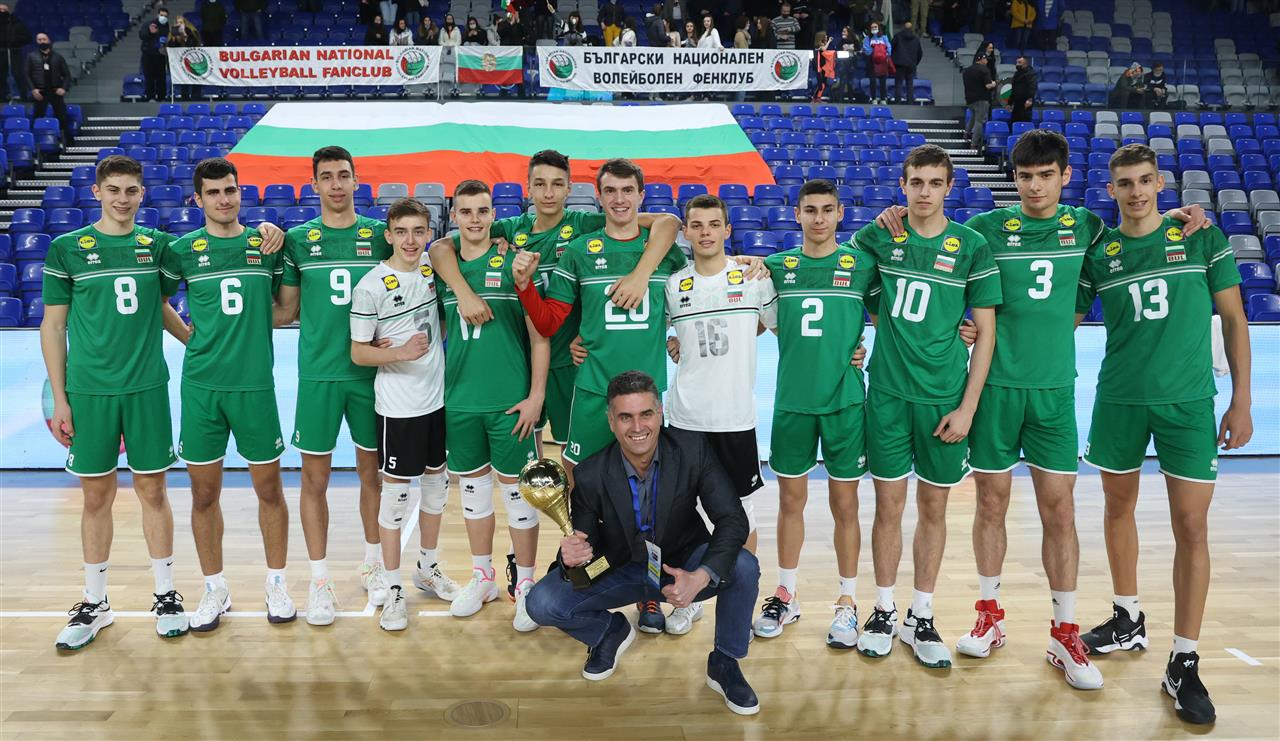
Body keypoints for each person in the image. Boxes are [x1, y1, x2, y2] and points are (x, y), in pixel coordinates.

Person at [872, 129, 1207, 688]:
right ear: (1015, 179)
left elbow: (1138, 228)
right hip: (994, 390)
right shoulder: (984, 230)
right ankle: (989, 616)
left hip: (1054, 392)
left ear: (1065, 176)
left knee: (1060, 509)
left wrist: (1179, 214)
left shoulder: (1087, 227)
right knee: (990, 503)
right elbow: (938, 254)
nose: (1035, 186)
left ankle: (1064, 631)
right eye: (1026, 176)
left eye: (1046, 175)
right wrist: (896, 215)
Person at [427, 150, 679, 599]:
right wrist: (462, 290)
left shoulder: (586, 225)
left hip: (572, 363)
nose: (548, 193)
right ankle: (529, 561)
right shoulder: (509, 228)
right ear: (527, 187)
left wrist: (638, 277)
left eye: (557, 184)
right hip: (517, 363)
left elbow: (667, 223)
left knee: (572, 470)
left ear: (571, 189)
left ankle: (594, 557)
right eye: (539, 184)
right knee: (531, 474)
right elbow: (441, 247)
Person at [1077, 144, 1253, 725]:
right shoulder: (1099, 253)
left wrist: (1241, 400)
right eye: (1125, 183)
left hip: (1188, 404)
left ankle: (1184, 659)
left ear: (1160, 184)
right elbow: (1060, 317)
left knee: (1192, 526)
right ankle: (1126, 618)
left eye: (1145, 180)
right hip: (1119, 400)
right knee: (1116, 508)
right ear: (1111, 190)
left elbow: (1234, 319)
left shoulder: (1201, 238)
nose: (1136, 192)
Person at [524, 370, 761, 716]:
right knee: (541, 602)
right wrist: (570, 556)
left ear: (660, 413)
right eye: (625, 417)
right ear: (611, 421)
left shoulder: (692, 450)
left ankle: (724, 662)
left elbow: (733, 519)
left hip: (681, 564)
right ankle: (609, 631)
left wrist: (701, 576)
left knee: (743, 566)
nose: (637, 427)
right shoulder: (590, 474)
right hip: (619, 566)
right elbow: (584, 543)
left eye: (645, 414)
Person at [851, 144, 1003, 669]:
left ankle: (922, 614)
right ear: (903, 185)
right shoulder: (880, 235)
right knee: (888, 507)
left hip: (944, 400)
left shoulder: (972, 246)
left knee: (934, 509)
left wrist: (968, 408)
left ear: (949, 186)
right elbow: (842, 279)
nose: (924, 192)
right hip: (888, 396)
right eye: (916, 182)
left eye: (935, 183)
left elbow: (985, 332)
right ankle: (883, 610)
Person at [40, 155, 192, 650]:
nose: (122, 199)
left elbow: (162, 305)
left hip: (146, 386)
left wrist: (193, 342)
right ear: (97, 192)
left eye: (131, 190)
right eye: (114, 190)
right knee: (96, 496)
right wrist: (60, 399)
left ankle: (165, 595)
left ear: (142, 194)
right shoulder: (67, 248)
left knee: (153, 491)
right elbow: (53, 326)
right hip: (89, 391)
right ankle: (95, 602)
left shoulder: (158, 246)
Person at [157, 157, 294, 631]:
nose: (223, 199)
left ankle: (277, 583)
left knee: (269, 489)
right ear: (198, 199)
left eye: (230, 190)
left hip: (254, 385)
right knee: (203, 493)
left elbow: (286, 309)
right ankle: (214, 587)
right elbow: (158, 300)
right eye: (213, 192)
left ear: (240, 193)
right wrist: (188, 337)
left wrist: (251, 323)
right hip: (201, 386)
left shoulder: (266, 244)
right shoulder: (181, 250)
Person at [751, 180, 876, 648]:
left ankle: (848, 601)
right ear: (797, 214)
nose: (819, 218)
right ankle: (787, 593)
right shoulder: (777, 267)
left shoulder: (861, 265)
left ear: (840, 213)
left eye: (827, 210)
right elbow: (747, 321)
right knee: (790, 502)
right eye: (810, 210)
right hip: (793, 402)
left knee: (846, 505)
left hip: (845, 403)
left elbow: (896, 316)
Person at [275, 147, 394, 625]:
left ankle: (372, 563)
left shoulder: (379, 236)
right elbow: (286, 310)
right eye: (327, 177)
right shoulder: (298, 241)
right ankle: (319, 581)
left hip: (370, 376)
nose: (337, 184)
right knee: (314, 480)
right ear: (315, 185)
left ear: (356, 180)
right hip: (319, 376)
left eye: (344, 175)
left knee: (372, 475)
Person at [652, 195, 776, 636]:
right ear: (685, 232)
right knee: (682, 517)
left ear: (727, 230)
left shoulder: (753, 278)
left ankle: (737, 598)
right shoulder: (674, 285)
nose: (705, 232)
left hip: (735, 421)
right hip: (686, 420)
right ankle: (689, 601)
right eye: (697, 225)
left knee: (742, 517)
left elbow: (784, 327)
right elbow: (655, 329)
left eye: (714, 224)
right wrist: (673, 341)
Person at [432, 181, 547, 630]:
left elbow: (540, 336)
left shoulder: (514, 264)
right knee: (474, 494)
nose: (475, 219)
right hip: (459, 402)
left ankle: (527, 583)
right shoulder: (444, 269)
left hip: (510, 404)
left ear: (494, 214)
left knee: (519, 496)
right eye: (466, 211)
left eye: (482, 211)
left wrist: (536, 397)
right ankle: (483, 577)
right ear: (454, 215)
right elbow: (437, 249)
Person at [349, 198, 461, 632]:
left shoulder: (433, 271)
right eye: (402, 232)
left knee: (436, 489)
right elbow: (359, 353)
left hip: (437, 402)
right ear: (389, 235)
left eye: (418, 231)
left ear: (429, 234)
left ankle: (427, 569)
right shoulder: (371, 285)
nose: (411, 240)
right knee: (395, 499)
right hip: (398, 409)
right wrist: (400, 353)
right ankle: (393, 587)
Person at [25, 33, 70, 142]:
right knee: (38, 118)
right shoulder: (31, 56)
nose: (42, 41)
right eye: (39, 39)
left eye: (44, 39)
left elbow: (67, 75)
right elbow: (27, 75)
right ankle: (37, 142)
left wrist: (63, 88)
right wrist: (33, 89)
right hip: (40, 92)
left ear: (49, 40)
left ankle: (65, 142)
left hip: (55, 91)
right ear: (37, 41)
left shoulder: (58, 57)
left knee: (62, 118)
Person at [963, 54, 996, 149]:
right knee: (979, 121)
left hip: (969, 99)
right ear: (981, 59)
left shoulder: (967, 70)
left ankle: (967, 133)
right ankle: (974, 143)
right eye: (986, 59)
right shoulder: (984, 70)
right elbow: (988, 86)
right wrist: (994, 83)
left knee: (973, 116)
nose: (987, 61)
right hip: (981, 99)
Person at [0, 4, 31, 101]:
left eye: (4, 9)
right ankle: (2, 96)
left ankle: (24, 96)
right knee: (1, 75)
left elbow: (28, 38)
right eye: (0, 9)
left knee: (18, 74)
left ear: (9, 11)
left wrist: (15, 41)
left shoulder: (17, 23)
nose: (2, 11)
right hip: (1, 52)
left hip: (14, 52)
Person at [891, 21, 923, 104]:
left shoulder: (897, 36)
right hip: (911, 65)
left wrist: (894, 60)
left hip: (899, 64)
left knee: (898, 84)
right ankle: (910, 102)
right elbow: (920, 53)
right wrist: (915, 63)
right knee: (910, 84)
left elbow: (891, 49)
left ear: (903, 28)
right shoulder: (916, 38)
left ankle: (897, 102)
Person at [138, 17, 168, 102]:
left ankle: (162, 97)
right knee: (149, 78)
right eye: (161, 14)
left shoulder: (166, 27)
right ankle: (150, 97)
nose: (163, 17)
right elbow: (142, 35)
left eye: (165, 15)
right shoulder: (147, 24)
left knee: (161, 78)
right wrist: (150, 32)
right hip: (148, 55)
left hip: (161, 55)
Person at [862, 20, 891, 104]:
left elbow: (889, 48)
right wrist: (878, 51)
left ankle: (883, 99)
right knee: (873, 81)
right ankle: (874, 98)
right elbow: (867, 50)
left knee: (883, 81)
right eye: (872, 27)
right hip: (872, 62)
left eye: (875, 27)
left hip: (883, 62)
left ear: (878, 28)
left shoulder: (884, 37)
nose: (874, 28)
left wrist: (882, 52)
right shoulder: (867, 39)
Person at [1009, 55, 1037, 123]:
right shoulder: (1016, 74)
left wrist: (1029, 99)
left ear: (1025, 64)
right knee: (1014, 122)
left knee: (1025, 122)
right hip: (1016, 103)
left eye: (1019, 63)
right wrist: (1010, 102)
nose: (1017, 64)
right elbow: (1014, 89)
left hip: (1025, 103)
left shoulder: (1031, 73)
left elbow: (1032, 87)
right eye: (1016, 62)